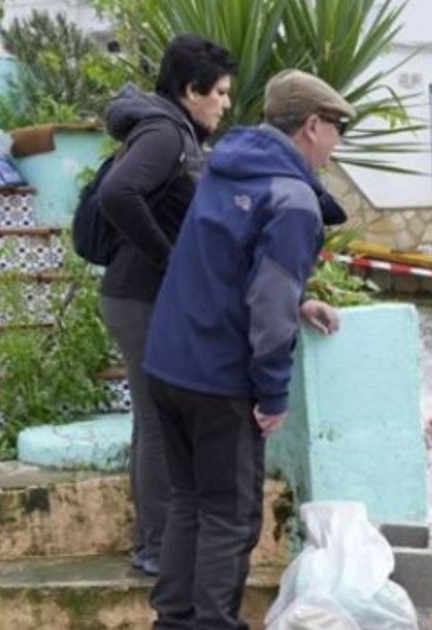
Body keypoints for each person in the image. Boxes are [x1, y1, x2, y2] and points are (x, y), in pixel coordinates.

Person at [143, 69, 353, 629]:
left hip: (168, 363)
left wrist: (298, 302)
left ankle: (172, 620)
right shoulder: (294, 199)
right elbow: (267, 300)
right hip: (219, 377)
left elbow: (226, 263)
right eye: (339, 129)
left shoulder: (224, 166)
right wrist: (273, 393)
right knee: (229, 517)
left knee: (188, 500)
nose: (337, 143)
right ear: (313, 125)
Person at [97, 34, 236, 577]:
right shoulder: (164, 133)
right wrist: (170, 259)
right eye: (219, 92)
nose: (225, 103)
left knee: (153, 420)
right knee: (159, 422)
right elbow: (117, 194)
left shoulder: (174, 131)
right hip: (141, 298)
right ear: (191, 90)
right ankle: (156, 547)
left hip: (140, 296)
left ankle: (155, 541)